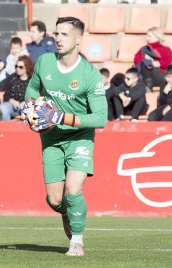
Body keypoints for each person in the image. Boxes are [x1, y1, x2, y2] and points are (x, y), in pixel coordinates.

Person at [23, 16, 107, 256]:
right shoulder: (44, 62)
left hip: (80, 137)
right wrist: (30, 106)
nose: (57, 39)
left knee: (73, 189)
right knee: (54, 199)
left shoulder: (90, 74)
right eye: (56, 34)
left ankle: (77, 241)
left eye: (64, 34)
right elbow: (33, 87)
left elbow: (101, 118)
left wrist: (63, 118)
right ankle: (68, 214)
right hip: (51, 139)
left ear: (78, 39)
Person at [133, 27, 172, 91]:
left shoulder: (165, 49)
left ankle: (147, 86)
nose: (147, 38)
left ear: (157, 37)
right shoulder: (144, 48)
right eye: (147, 36)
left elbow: (168, 61)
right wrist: (150, 62)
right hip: (146, 76)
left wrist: (159, 63)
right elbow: (136, 59)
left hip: (160, 75)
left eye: (150, 36)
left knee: (146, 63)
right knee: (145, 63)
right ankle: (147, 85)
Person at [0, 56, 33, 120]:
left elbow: (36, 95)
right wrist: (12, 101)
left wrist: (26, 102)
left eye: (21, 67)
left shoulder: (32, 80)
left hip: (27, 106)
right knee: (2, 109)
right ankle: (7, 129)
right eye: (16, 66)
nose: (17, 69)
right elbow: (6, 94)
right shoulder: (12, 77)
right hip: (12, 105)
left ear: (27, 67)